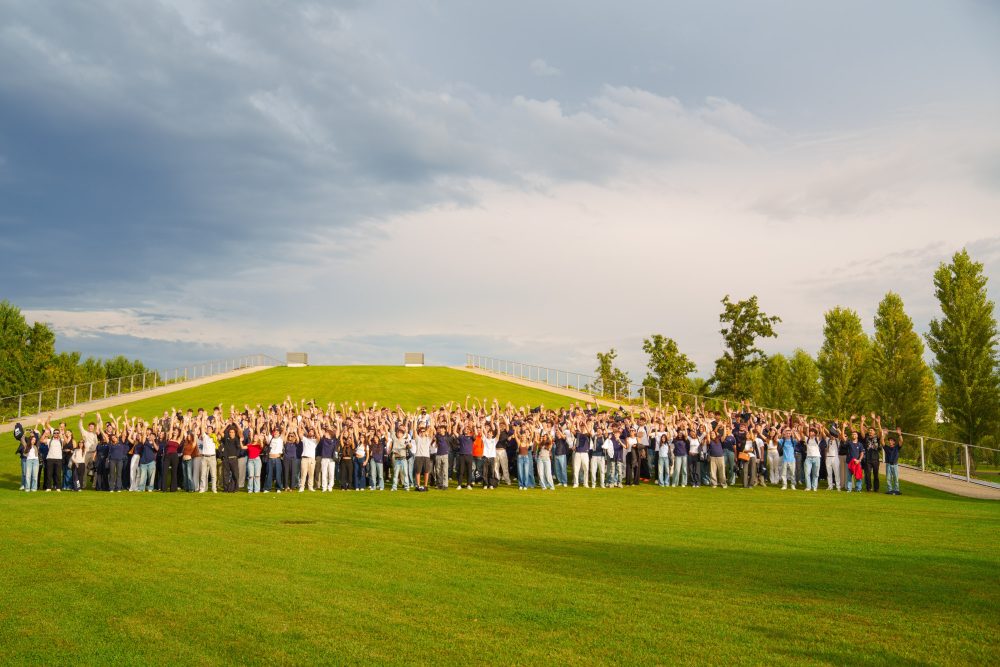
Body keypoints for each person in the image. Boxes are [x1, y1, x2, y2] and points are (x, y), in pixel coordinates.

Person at [860, 414, 882, 493]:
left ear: (874, 432)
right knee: (867, 474)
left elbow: (880, 431)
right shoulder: (866, 437)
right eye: (869, 431)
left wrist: (878, 423)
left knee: (876, 474)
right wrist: (862, 422)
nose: (870, 432)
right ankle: (868, 488)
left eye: (871, 431)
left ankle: (876, 488)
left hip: (875, 459)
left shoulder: (877, 438)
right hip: (868, 459)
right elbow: (862, 431)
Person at [264, 427, 285, 493]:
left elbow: (284, 431)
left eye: (277, 432)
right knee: (269, 474)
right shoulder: (271, 438)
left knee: (278, 474)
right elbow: (267, 432)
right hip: (270, 459)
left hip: (277, 459)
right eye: (275, 432)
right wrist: (267, 424)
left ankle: (278, 488)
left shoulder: (281, 439)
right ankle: (267, 488)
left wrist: (286, 422)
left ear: (279, 433)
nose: (275, 433)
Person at [883, 428, 902, 495]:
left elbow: (901, 442)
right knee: (888, 478)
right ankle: (890, 490)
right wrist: (884, 434)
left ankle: (897, 490)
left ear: (894, 442)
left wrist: (900, 435)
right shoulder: (887, 447)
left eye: (891, 440)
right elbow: (882, 442)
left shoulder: (897, 447)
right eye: (889, 440)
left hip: (895, 464)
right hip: (888, 464)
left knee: (896, 478)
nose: (890, 441)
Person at [200, 425, 218, 493]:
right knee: (203, 474)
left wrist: (216, 418)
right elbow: (202, 428)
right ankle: (202, 488)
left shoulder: (214, 436)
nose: (209, 430)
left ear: (212, 430)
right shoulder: (204, 436)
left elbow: (217, 428)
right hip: (204, 457)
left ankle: (214, 489)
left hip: (212, 457)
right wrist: (203, 418)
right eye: (208, 429)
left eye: (210, 429)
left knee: (213, 475)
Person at [803, 427, 822, 492]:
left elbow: (821, 434)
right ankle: (808, 487)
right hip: (808, 458)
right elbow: (801, 433)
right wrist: (803, 426)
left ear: (815, 433)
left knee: (816, 474)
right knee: (807, 473)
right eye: (810, 431)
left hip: (817, 457)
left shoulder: (817, 439)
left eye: (812, 431)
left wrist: (821, 428)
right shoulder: (807, 439)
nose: (811, 432)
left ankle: (814, 487)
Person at [299, 427, 318, 492]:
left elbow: (319, 437)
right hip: (304, 458)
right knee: (303, 473)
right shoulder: (305, 439)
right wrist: (300, 425)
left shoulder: (315, 441)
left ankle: (310, 487)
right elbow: (300, 434)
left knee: (311, 474)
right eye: (310, 431)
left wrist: (315, 429)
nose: (310, 432)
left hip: (312, 459)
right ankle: (302, 487)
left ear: (314, 433)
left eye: (312, 432)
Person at [825, 427, 841, 491]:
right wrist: (822, 427)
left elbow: (841, 436)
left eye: (833, 435)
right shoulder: (828, 440)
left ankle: (838, 486)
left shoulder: (837, 440)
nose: (832, 436)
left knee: (836, 473)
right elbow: (824, 434)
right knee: (829, 473)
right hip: (828, 458)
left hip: (835, 458)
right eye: (831, 435)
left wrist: (839, 431)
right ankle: (830, 486)